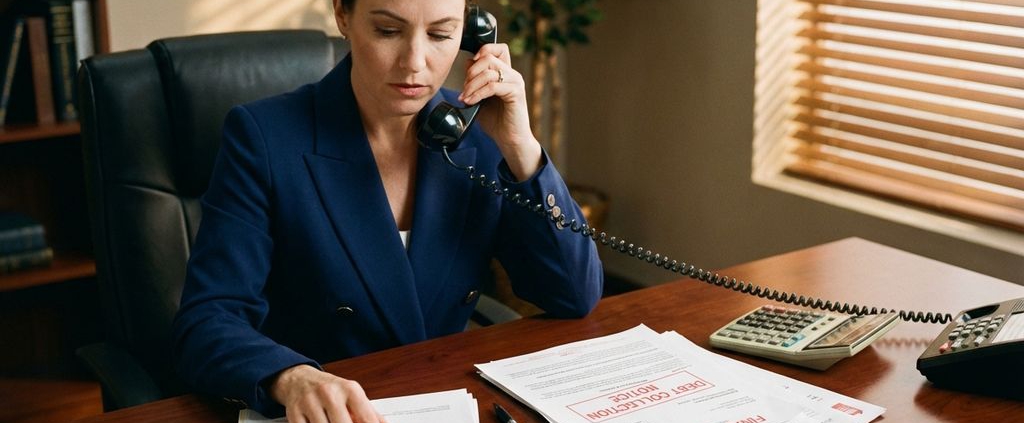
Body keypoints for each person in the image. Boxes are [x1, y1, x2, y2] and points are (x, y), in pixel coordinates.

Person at [171, 0, 603, 422]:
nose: (415, 62)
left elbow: (573, 295)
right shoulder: (264, 137)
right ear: (343, 14)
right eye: (388, 31)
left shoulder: (478, 132)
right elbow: (209, 319)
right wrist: (291, 378)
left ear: (471, 34)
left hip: (443, 398)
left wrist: (520, 147)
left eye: (440, 33)